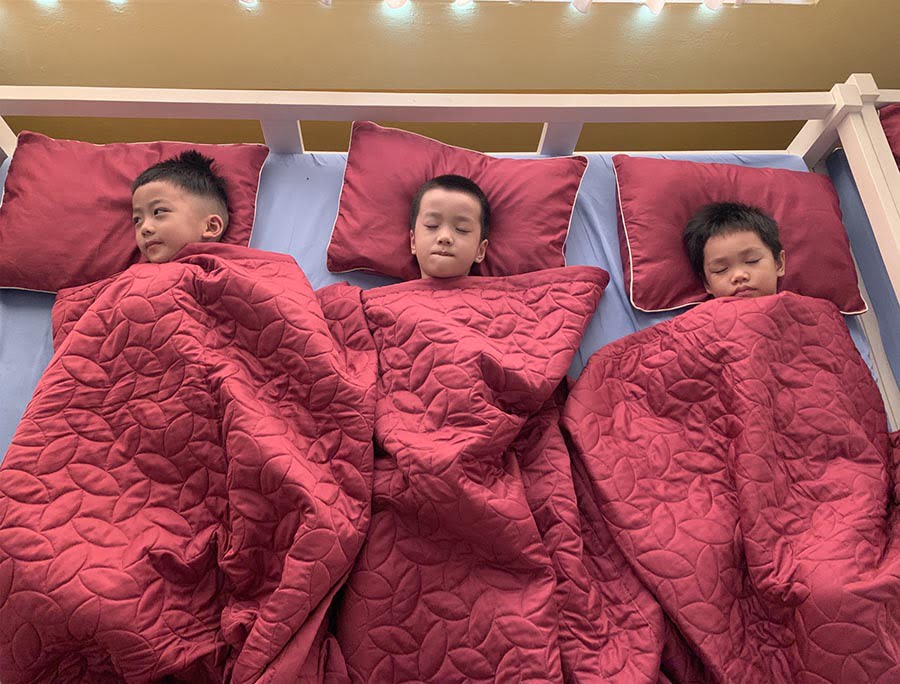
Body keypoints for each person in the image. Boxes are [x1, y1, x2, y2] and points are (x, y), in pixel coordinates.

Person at [131, 150, 230, 263]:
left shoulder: (225, 271)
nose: (144, 228)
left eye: (158, 212)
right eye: (137, 220)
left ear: (210, 227)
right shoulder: (130, 273)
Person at [682, 201, 786, 299]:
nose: (739, 275)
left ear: (779, 263)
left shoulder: (795, 308)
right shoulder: (701, 313)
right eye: (721, 269)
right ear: (706, 283)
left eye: (752, 260)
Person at [409, 174, 490, 279]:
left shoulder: (506, 289)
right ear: (413, 242)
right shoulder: (388, 290)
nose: (445, 237)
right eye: (432, 225)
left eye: (462, 229)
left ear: (480, 250)